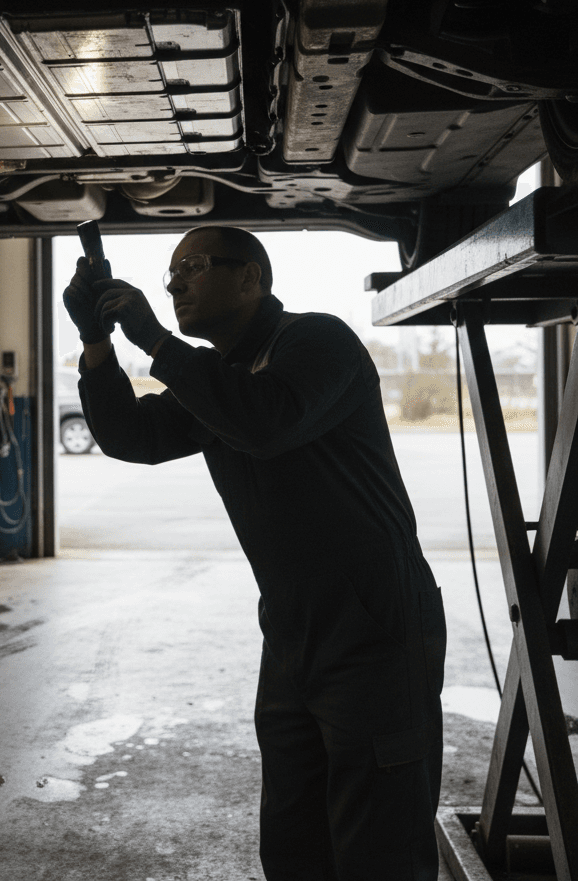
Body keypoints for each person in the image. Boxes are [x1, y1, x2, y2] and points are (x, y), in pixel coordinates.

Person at [63, 225, 446, 881]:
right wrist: (95, 341)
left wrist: (158, 342)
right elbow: (131, 435)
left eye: (192, 265)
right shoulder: (219, 377)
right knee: (294, 838)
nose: (174, 283)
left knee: (379, 845)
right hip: (293, 632)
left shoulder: (317, 341)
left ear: (250, 278)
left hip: (375, 627)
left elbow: (266, 421)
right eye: (170, 273)